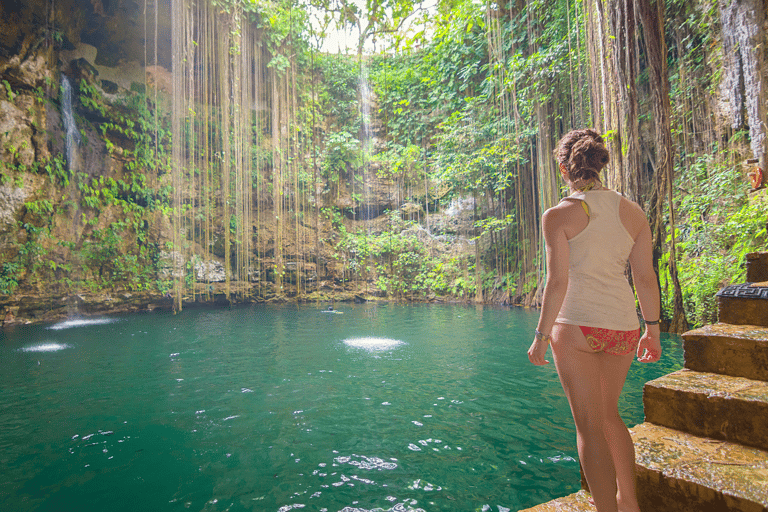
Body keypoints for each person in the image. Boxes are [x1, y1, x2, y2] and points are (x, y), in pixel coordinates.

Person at [527, 129, 662, 512]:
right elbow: (645, 277)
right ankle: (629, 503)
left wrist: (540, 335)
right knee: (610, 416)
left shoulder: (558, 216)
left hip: (576, 326)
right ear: (602, 164)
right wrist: (652, 331)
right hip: (623, 326)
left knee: (588, 426)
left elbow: (557, 283)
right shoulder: (633, 212)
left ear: (563, 168)